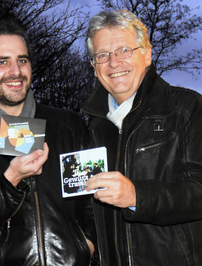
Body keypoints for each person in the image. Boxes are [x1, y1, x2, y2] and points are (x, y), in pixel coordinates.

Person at [0, 19, 96, 265]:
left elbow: (94, 198)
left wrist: (88, 246)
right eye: (2, 61)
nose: (16, 71)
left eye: (22, 60)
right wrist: (10, 182)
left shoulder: (69, 126)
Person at [83, 10, 202, 265]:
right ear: (94, 67)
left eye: (124, 50)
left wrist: (138, 196)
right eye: (102, 55)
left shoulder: (187, 109)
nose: (114, 63)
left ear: (147, 55)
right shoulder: (92, 128)